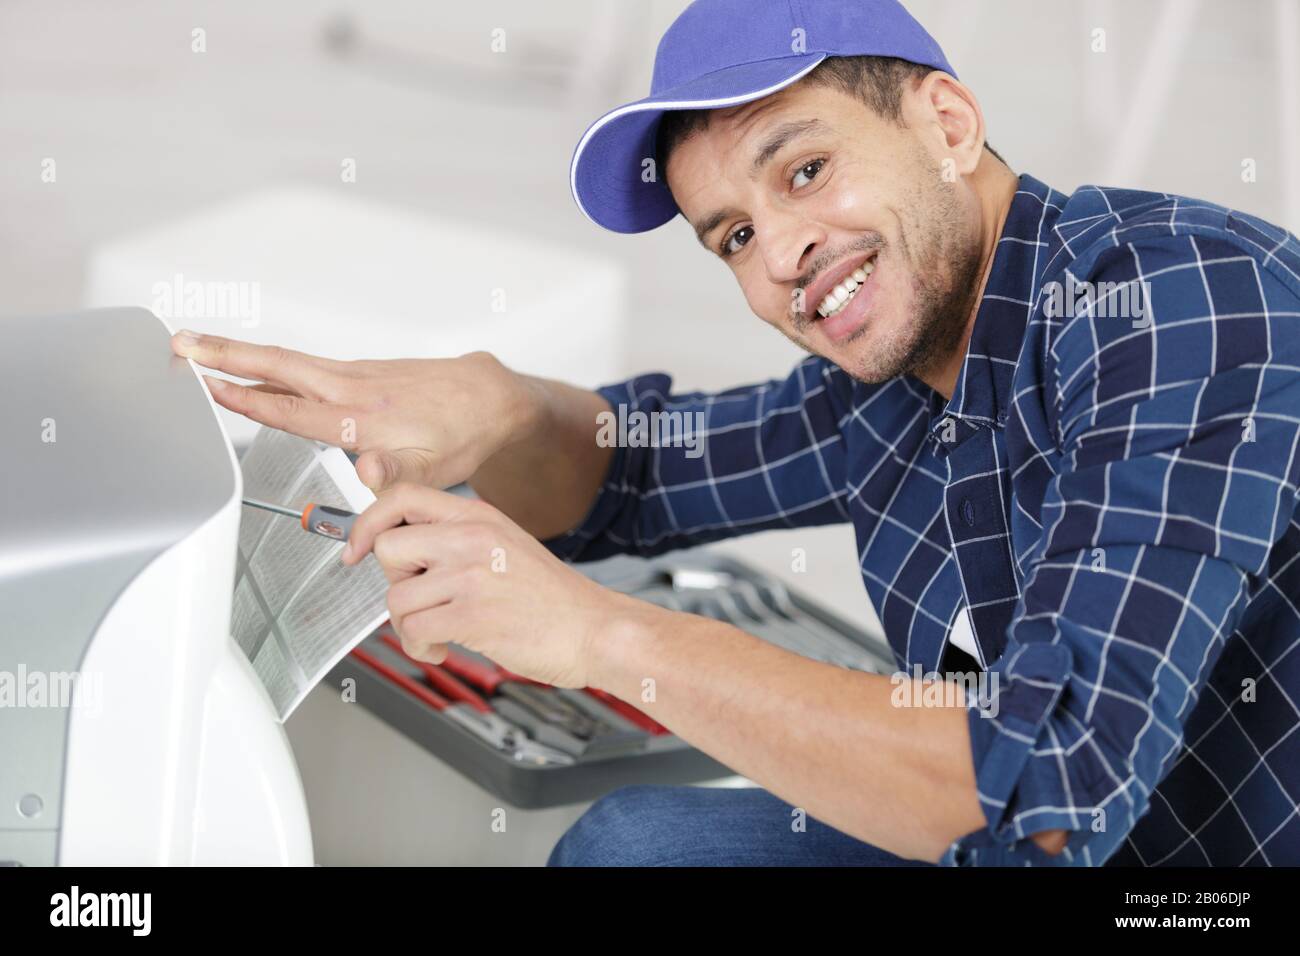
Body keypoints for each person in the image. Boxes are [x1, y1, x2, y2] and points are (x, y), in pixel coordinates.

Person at [172, 0, 1300, 866]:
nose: (781, 255)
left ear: (946, 123)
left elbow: (1058, 772)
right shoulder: (900, 370)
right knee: (636, 848)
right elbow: (639, 466)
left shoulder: (1179, 304)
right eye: (733, 234)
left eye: (805, 170)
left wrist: (603, 636)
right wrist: (498, 406)